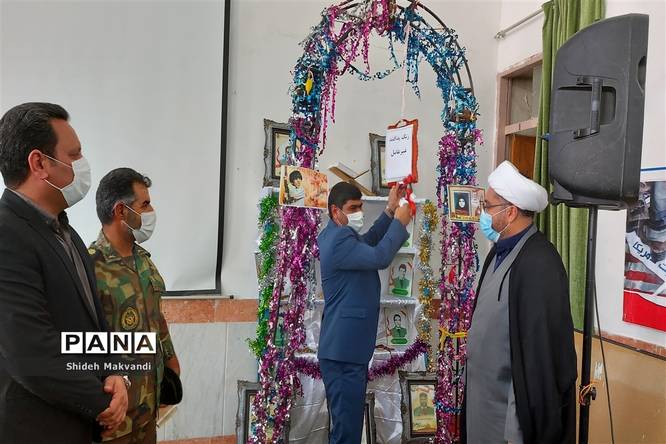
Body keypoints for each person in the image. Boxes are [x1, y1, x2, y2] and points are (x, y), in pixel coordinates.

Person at [0, 102, 128, 443]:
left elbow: (94, 322)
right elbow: (30, 352)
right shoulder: (7, 234)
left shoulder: (67, 233)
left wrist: (114, 371)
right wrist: (103, 402)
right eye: (74, 155)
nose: (83, 164)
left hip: (77, 424)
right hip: (37, 428)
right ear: (39, 163)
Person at [463, 161, 577, 444]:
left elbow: (539, 359)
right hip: (482, 404)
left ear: (511, 212)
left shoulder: (540, 263)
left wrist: (516, 432)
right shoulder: (497, 252)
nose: (484, 213)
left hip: (508, 422)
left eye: (488, 206)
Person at [89, 168, 180, 444]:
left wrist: (170, 361)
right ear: (121, 211)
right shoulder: (89, 266)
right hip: (114, 418)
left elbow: (156, 318)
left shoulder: (144, 261)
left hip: (148, 411)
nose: (151, 211)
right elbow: (78, 340)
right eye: (145, 204)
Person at [318, 181, 412, 444]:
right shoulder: (339, 240)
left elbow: (369, 242)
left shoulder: (336, 234)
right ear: (335, 211)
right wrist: (400, 223)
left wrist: (390, 210)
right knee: (346, 434)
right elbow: (380, 257)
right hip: (344, 354)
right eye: (353, 208)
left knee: (346, 429)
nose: (359, 212)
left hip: (345, 351)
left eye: (360, 206)